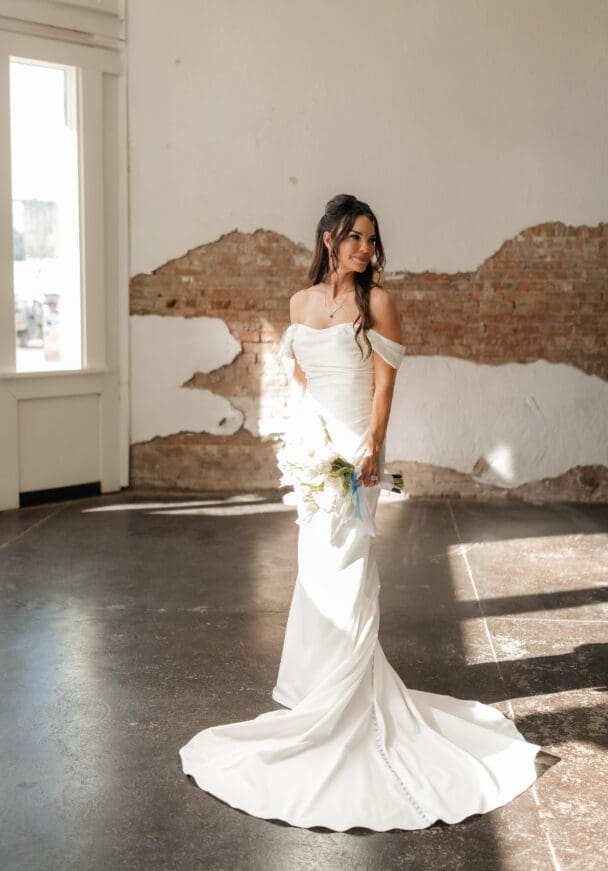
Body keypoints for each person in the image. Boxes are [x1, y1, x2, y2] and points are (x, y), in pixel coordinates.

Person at [179, 194, 544, 831]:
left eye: (371, 241)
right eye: (353, 238)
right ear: (327, 239)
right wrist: (299, 441)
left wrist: (371, 448)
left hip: (355, 456)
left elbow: (383, 386)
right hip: (312, 450)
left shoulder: (377, 302)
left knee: (348, 575)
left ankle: (349, 708)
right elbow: (299, 380)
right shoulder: (299, 304)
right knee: (316, 575)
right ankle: (318, 698)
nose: (363, 250)